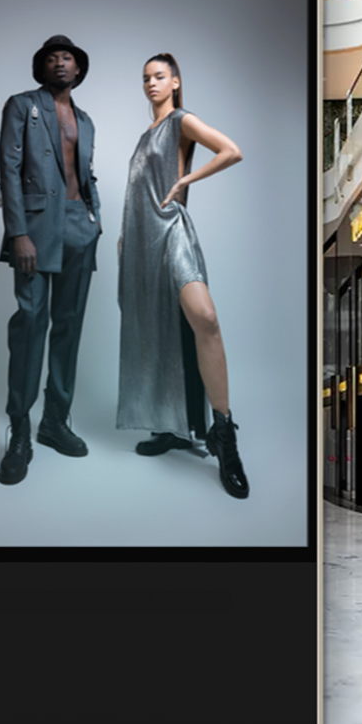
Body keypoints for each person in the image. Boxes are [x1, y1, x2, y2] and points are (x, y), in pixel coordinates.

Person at [116, 53, 248, 499]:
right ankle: (171, 426)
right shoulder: (143, 136)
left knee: (204, 319)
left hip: (171, 234)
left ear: (175, 81)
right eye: (145, 78)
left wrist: (185, 182)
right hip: (138, 245)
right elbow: (135, 193)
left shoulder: (180, 120)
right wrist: (122, 240)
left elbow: (232, 150)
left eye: (159, 76)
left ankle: (223, 433)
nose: (151, 84)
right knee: (157, 332)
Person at [0, 35, 101, 485]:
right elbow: (8, 168)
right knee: (31, 323)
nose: (61, 63)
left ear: (79, 69)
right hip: (35, 229)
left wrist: (96, 219)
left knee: (69, 326)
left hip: (81, 226)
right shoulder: (21, 106)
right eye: (53, 58)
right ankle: (20, 429)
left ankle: (55, 422)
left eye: (69, 58)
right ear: (42, 68)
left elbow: (84, 173)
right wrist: (18, 232)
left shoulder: (87, 120)